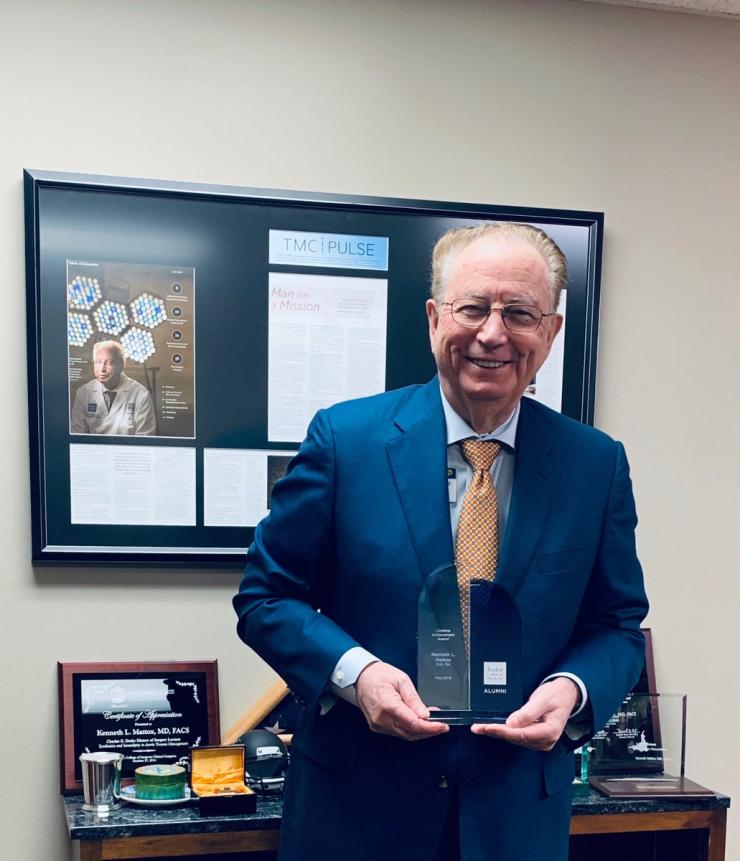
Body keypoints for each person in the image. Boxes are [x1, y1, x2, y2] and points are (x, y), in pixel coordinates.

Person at [233, 223, 648, 861]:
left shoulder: (596, 466)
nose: (493, 334)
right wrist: (358, 675)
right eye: (473, 308)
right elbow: (266, 598)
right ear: (434, 318)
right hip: (356, 816)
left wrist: (571, 690)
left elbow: (617, 624)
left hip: (515, 822)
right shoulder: (346, 441)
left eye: (520, 314)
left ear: (552, 333)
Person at [70, 340, 156, 436]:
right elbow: (77, 435)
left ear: (122, 365)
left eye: (109, 362)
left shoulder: (141, 395)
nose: (102, 369)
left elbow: (144, 438)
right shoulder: (83, 392)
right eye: (98, 362)